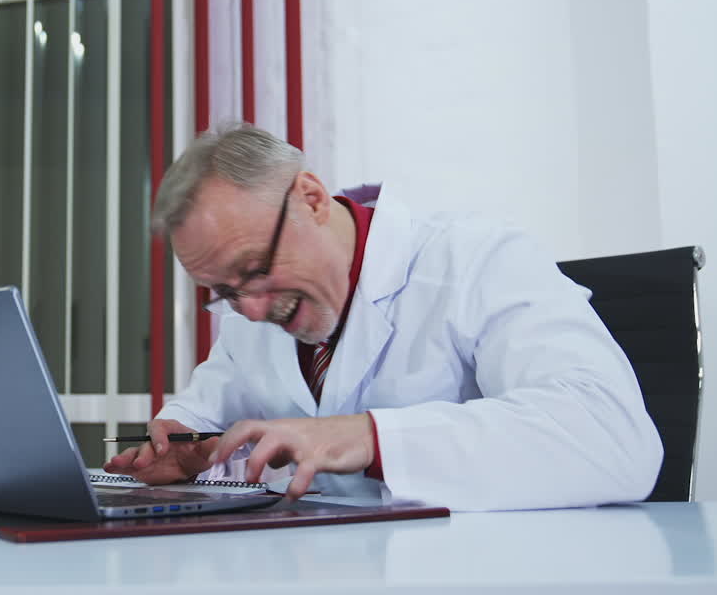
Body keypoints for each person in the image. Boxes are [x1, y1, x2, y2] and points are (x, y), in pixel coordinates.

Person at [103, 124, 662, 511]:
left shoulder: (475, 261)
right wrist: (180, 445)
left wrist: (371, 437)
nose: (248, 308)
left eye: (255, 269)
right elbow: (204, 410)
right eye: (224, 291)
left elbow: (614, 437)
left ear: (311, 199)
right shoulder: (252, 314)